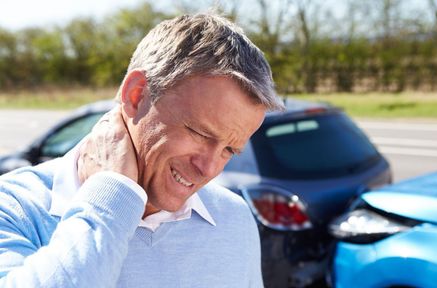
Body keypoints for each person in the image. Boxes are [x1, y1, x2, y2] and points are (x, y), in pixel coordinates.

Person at [0, 13, 283, 287]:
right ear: (136, 95)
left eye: (229, 150)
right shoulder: (13, 209)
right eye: (200, 133)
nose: (209, 169)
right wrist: (111, 195)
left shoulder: (233, 217)